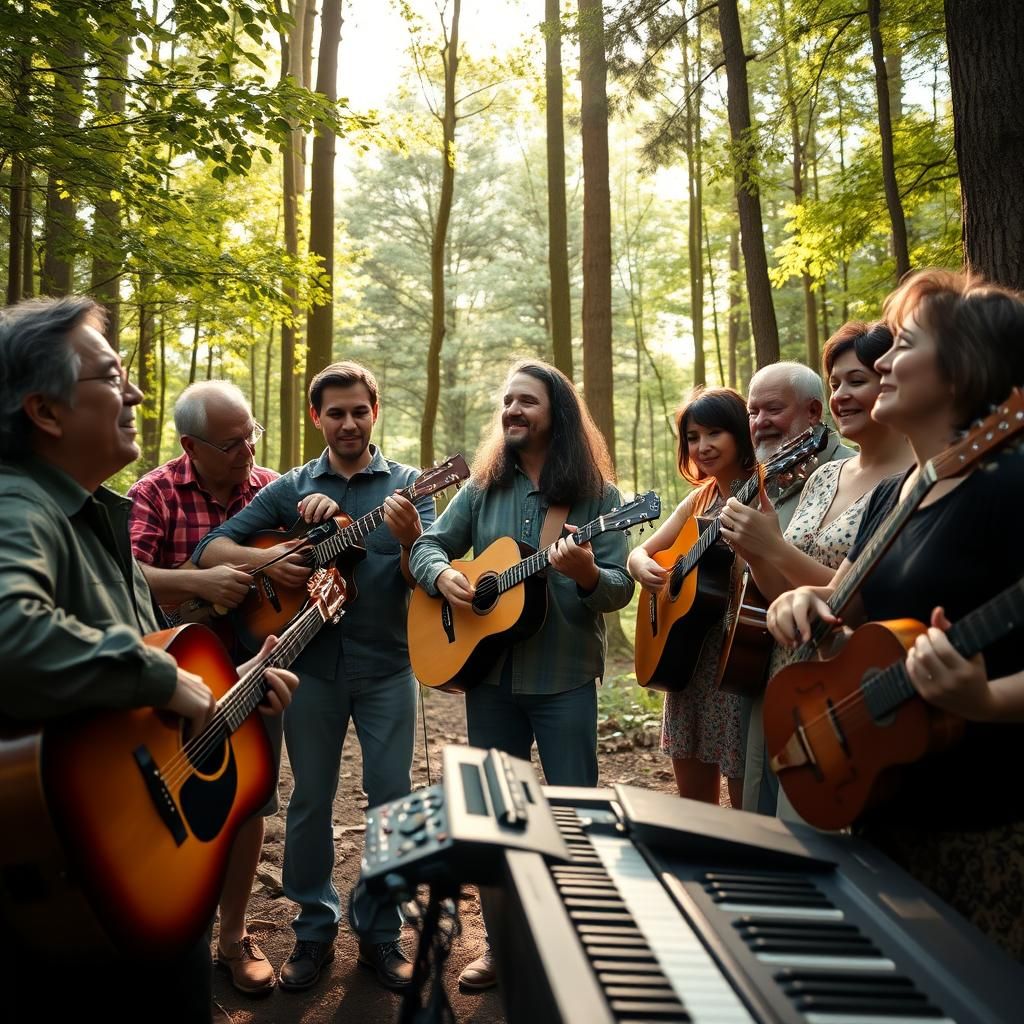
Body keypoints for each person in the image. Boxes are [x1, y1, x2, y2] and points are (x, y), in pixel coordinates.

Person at [0, 296, 297, 1021]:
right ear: (45, 411)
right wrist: (176, 680)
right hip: (74, 883)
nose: (134, 393)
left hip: (144, 870)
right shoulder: (19, 506)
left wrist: (234, 688)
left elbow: (137, 690)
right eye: (111, 376)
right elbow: (11, 630)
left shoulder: (100, 511)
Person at [766, 268, 1024, 959]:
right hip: (884, 815)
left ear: (963, 369)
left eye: (902, 344)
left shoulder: (1011, 488)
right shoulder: (897, 496)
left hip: (988, 833)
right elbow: (838, 600)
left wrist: (985, 700)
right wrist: (800, 602)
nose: (879, 361)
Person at [193, 360, 434, 991]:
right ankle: (314, 931)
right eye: (335, 412)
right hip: (310, 672)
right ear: (315, 418)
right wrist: (278, 557)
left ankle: (382, 935)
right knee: (308, 804)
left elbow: (426, 578)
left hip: (389, 668)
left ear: (375, 412)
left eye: (359, 410)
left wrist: (410, 543)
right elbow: (210, 551)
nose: (348, 422)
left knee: (390, 802)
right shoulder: (291, 489)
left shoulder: (411, 485)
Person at [409, 359, 634, 990]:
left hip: (563, 679)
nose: (512, 411)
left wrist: (588, 574)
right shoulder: (481, 490)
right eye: (507, 401)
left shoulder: (599, 501)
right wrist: (444, 576)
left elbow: (616, 588)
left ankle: (581, 942)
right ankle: (500, 944)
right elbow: (429, 543)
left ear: (556, 413)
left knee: (576, 813)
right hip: (491, 683)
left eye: (526, 402)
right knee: (495, 816)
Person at [127, 381, 304, 994]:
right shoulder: (154, 491)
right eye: (231, 443)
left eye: (251, 433)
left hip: (257, 669)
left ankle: (232, 939)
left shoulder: (274, 489)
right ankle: (173, 934)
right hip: (174, 677)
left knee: (251, 799)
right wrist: (200, 582)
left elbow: (312, 560)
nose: (247, 450)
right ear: (190, 446)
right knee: (170, 803)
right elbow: (128, 573)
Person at [720, 324, 913, 820]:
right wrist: (758, 552)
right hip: (783, 665)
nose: (841, 396)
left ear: (892, 381)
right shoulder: (825, 474)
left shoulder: (907, 484)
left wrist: (774, 548)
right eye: (835, 384)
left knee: (817, 822)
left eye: (856, 381)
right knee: (763, 813)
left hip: (845, 673)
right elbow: (777, 591)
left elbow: (849, 594)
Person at [628, 387, 752, 810]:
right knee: (695, 808)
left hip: (735, 656)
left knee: (745, 804)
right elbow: (643, 551)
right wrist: (639, 565)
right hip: (686, 656)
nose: (702, 446)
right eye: (693, 437)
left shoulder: (765, 488)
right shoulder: (701, 498)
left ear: (741, 431)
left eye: (715, 432)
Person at [740, 360, 855, 814]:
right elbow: (772, 587)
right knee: (757, 805)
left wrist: (768, 549)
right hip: (766, 664)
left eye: (772, 410)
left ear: (813, 413)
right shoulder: (761, 480)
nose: (760, 423)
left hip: (831, 673)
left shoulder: (839, 472)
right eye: (753, 412)